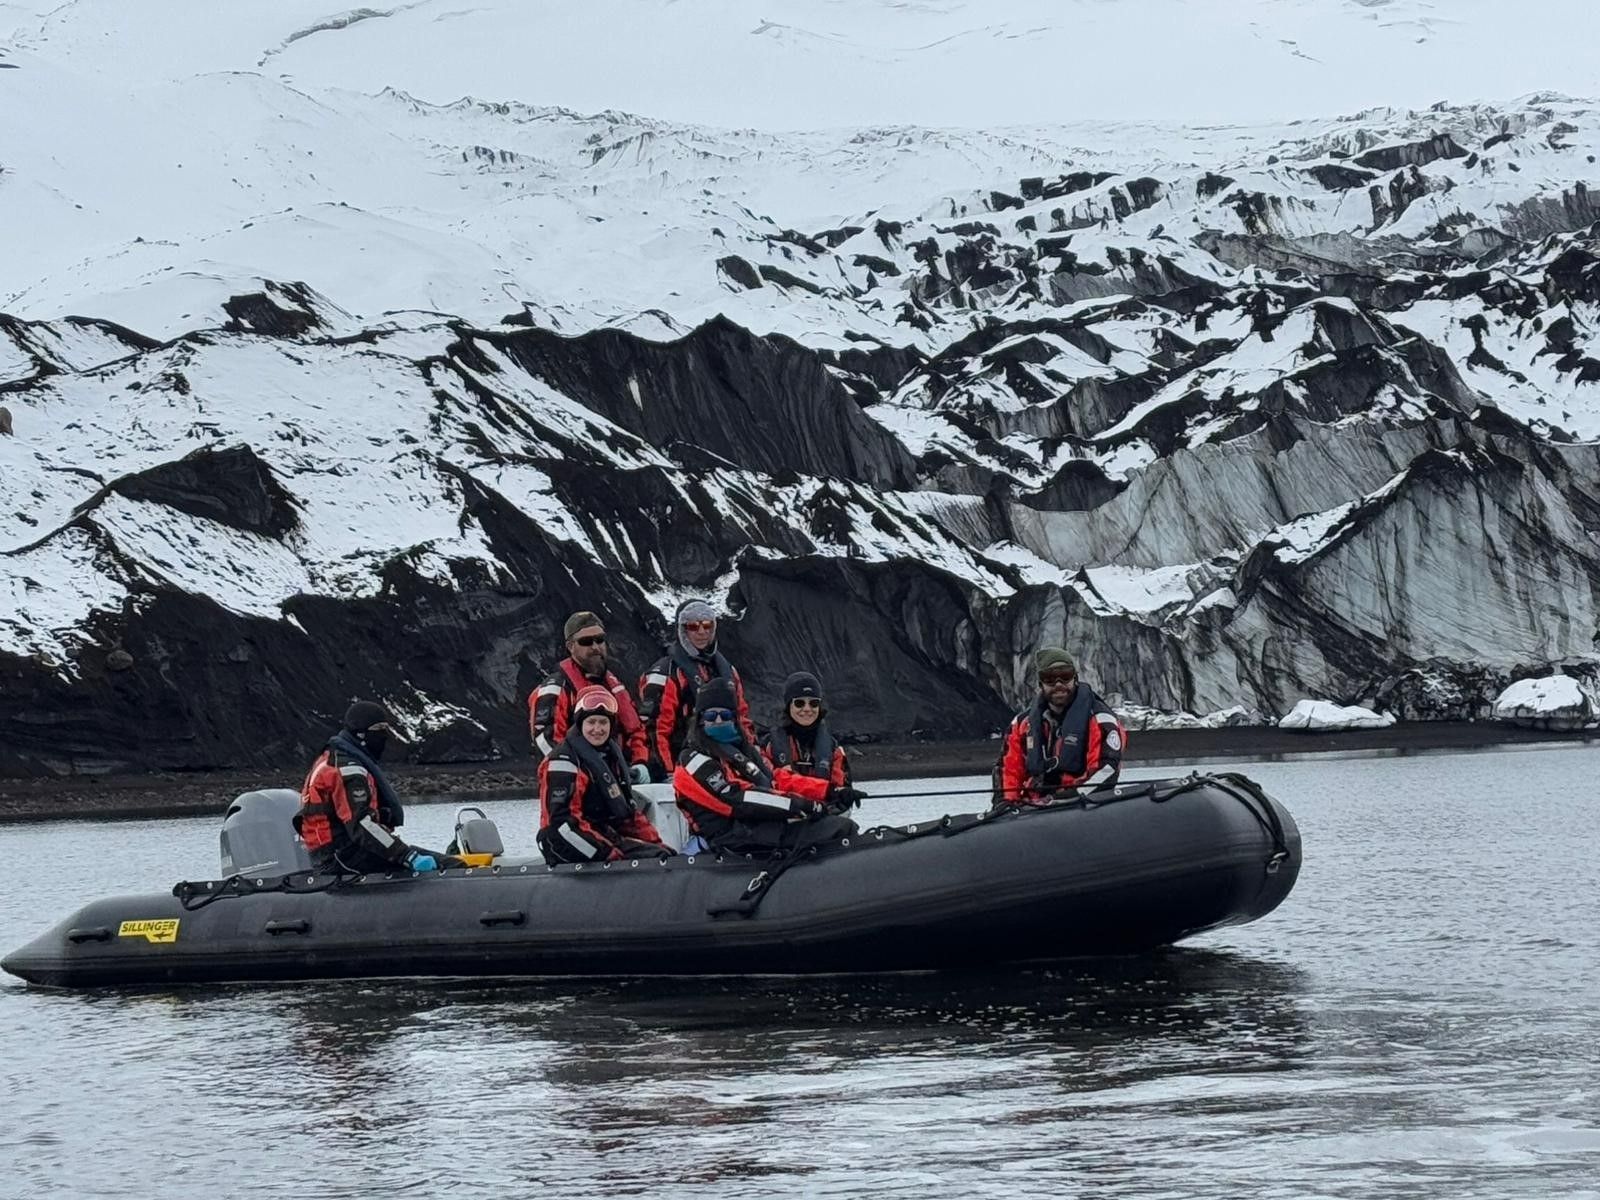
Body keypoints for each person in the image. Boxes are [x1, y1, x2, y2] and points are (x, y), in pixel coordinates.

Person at [674, 679, 867, 856]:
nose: (718, 721)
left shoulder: (742, 752)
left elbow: (777, 779)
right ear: (700, 720)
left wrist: (831, 791)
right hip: (730, 836)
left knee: (840, 827)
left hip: (757, 828)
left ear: (734, 718)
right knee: (838, 829)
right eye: (711, 716)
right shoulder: (693, 761)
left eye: (725, 715)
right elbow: (738, 799)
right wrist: (800, 805)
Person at [297, 701, 453, 873]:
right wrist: (406, 856)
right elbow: (362, 825)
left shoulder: (330, 759)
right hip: (342, 856)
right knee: (452, 866)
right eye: (379, 730)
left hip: (333, 853)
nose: (384, 736)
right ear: (361, 734)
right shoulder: (348, 771)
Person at [538, 685, 672, 865]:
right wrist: (607, 854)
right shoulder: (563, 763)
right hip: (566, 840)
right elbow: (560, 824)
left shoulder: (609, 758)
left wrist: (658, 844)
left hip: (601, 833)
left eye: (603, 723)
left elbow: (627, 813)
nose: (597, 729)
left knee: (661, 855)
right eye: (591, 722)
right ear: (580, 724)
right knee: (630, 858)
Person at [638, 598, 756, 781]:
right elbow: (654, 731)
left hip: (729, 765)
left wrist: (753, 757)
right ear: (682, 629)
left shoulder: (728, 672)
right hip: (685, 767)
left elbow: (742, 719)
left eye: (707, 625)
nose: (702, 632)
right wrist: (668, 773)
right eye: (693, 626)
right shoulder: (664, 674)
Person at [995, 648, 1126, 806]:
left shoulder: (1101, 720)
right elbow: (1008, 770)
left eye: (1065, 676)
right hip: (1032, 811)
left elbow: (1106, 770)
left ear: (1075, 678)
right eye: (1049, 678)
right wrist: (1005, 805)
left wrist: (1066, 799)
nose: (1058, 684)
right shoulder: (1021, 725)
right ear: (1040, 684)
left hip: (1082, 807)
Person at [529, 610, 650, 782]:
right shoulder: (554, 691)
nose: (595, 647)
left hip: (618, 782)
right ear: (570, 646)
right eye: (586, 642)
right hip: (577, 784)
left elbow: (634, 729)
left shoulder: (614, 685)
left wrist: (640, 761)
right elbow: (546, 744)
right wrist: (581, 774)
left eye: (600, 639)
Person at [759, 671, 851, 787]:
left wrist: (844, 794)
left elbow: (841, 785)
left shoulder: (833, 748)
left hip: (823, 803)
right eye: (799, 703)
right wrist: (824, 791)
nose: (807, 709)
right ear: (789, 706)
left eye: (813, 703)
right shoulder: (768, 746)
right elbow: (775, 780)